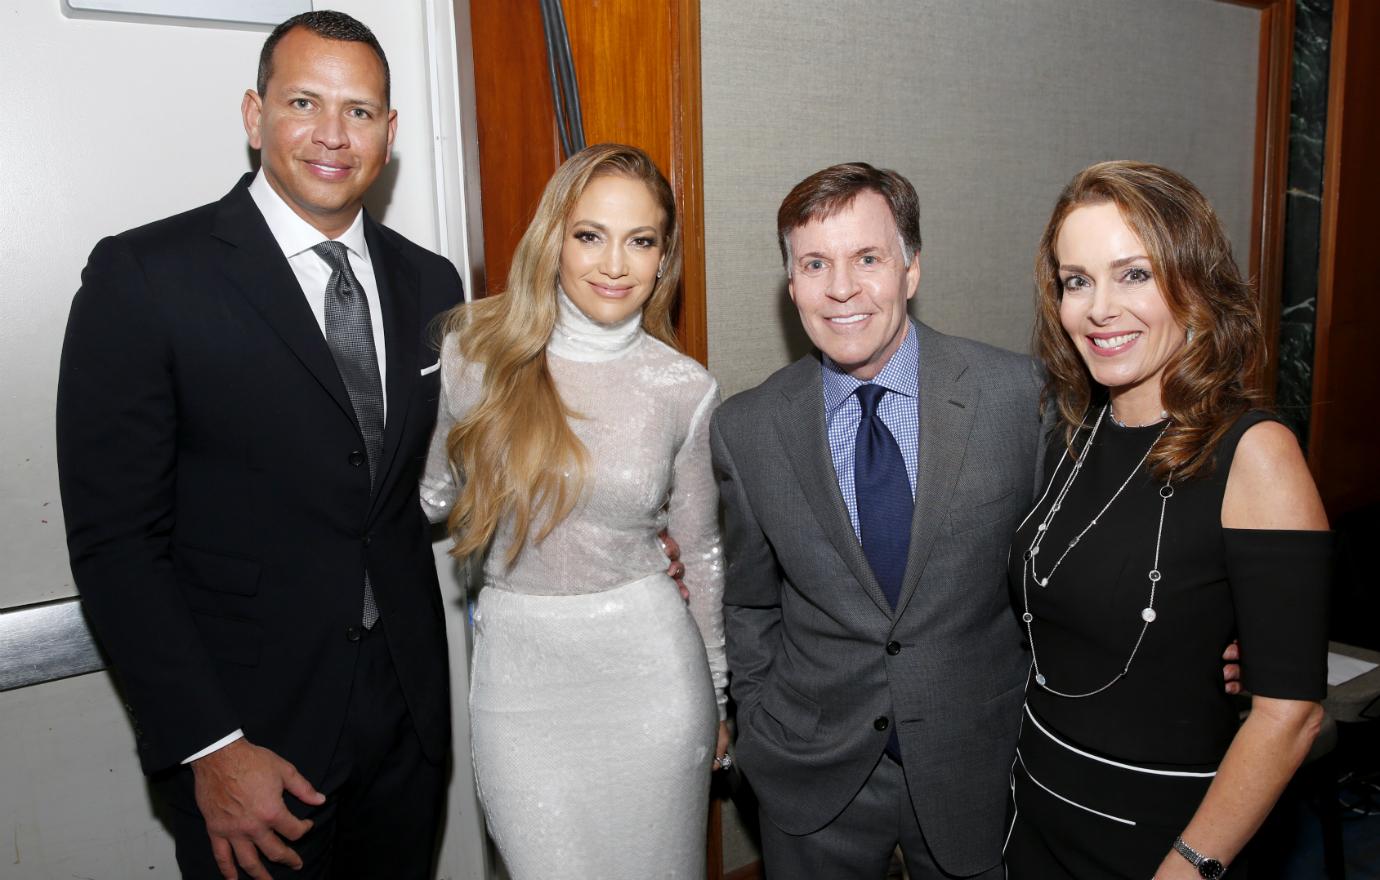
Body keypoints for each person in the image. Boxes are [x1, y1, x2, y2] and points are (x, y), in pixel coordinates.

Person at [55, 12, 462, 879]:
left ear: (388, 134)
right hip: (247, 738)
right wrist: (208, 745)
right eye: (304, 102)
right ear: (254, 114)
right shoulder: (145, 278)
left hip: (407, 727)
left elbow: (422, 482)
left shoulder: (432, 283)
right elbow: (115, 544)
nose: (331, 134)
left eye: (359, 112)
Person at [711, 162, 1042, 879]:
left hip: (979, 765)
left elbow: (1066, 572)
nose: (841, 289)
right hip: (812, 774)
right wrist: (761, 725)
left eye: (868, 258)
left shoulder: (1017, 398)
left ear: (911, 269)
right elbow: (749, 598)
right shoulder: (746, 429)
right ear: (791, 283)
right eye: (815, 264)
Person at [1005, 160, 1329, 878]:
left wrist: (1187, 866)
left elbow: (1290, 714)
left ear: (1193, 280)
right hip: (1037, 816)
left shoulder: (1255, 453)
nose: (1099, 308)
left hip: (1161, 840)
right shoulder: (1073, 430)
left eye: (1135, 275)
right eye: (1077, 280)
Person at [419, 143, 729, 879]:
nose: (615, 263)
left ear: (663, 257)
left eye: (640, 240)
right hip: (522, 682)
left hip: (653, 676)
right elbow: (427, 494)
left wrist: (718, 698)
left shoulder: (682, 386)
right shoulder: (476, 352)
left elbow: (703, 549)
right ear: (553, 238)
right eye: (590, 234)